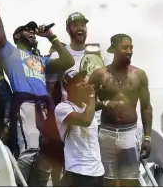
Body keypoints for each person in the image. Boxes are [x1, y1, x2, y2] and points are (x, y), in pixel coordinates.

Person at [0, 0, 75, 186]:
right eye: (27, 30)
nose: (32, 32)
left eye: (33, 30)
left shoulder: (42, 60)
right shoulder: (10, 52)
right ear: (17, 36)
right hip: (25, 104)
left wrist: (51, 36)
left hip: (44, 107)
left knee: (45, 156)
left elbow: (68, 61)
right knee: (29, 151)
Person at [45, 12, 103, 185]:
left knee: (92, 165)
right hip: (70, 119)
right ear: (68, 29)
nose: (80, 28)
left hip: (93, 119)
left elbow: (101, 89)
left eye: (83, 25)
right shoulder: (60, 55)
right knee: (69, 168)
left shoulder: (95, 57)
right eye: (75, 25)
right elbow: (50, 89)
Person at [89, 34, 153, 186]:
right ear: (114, 50)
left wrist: (147, 137)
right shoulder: (99, 75)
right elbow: (85, 105)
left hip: (130, 133)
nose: (129, 51)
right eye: (125, 47)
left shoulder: (139, 75)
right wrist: (105, 103)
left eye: (131, 47)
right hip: (106, 133)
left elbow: (146, 107)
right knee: (107, 181)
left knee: (130, 181)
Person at [54, 70, 105, 187]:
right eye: (78, 82)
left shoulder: (88, 108)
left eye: (83, 80)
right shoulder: (62, 108)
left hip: (98, 172)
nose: (83, 83)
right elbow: (85, 121)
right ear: (68, 88)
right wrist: (92, 94)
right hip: (78, 172)